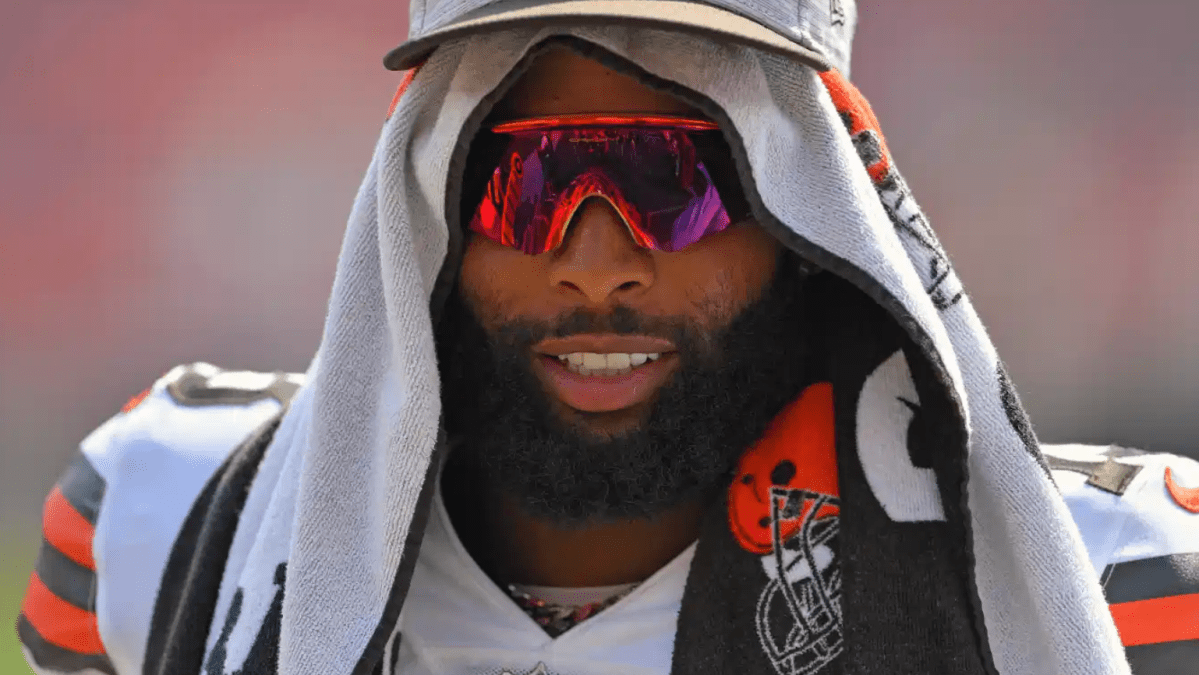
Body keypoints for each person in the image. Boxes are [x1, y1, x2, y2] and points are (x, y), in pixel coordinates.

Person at [16, 1, 1198, 674]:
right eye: (520, 179)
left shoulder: (1117, 589)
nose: (596, 262)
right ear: (423, 201)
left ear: (811, 210)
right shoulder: (158, 530)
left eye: (679, 176)